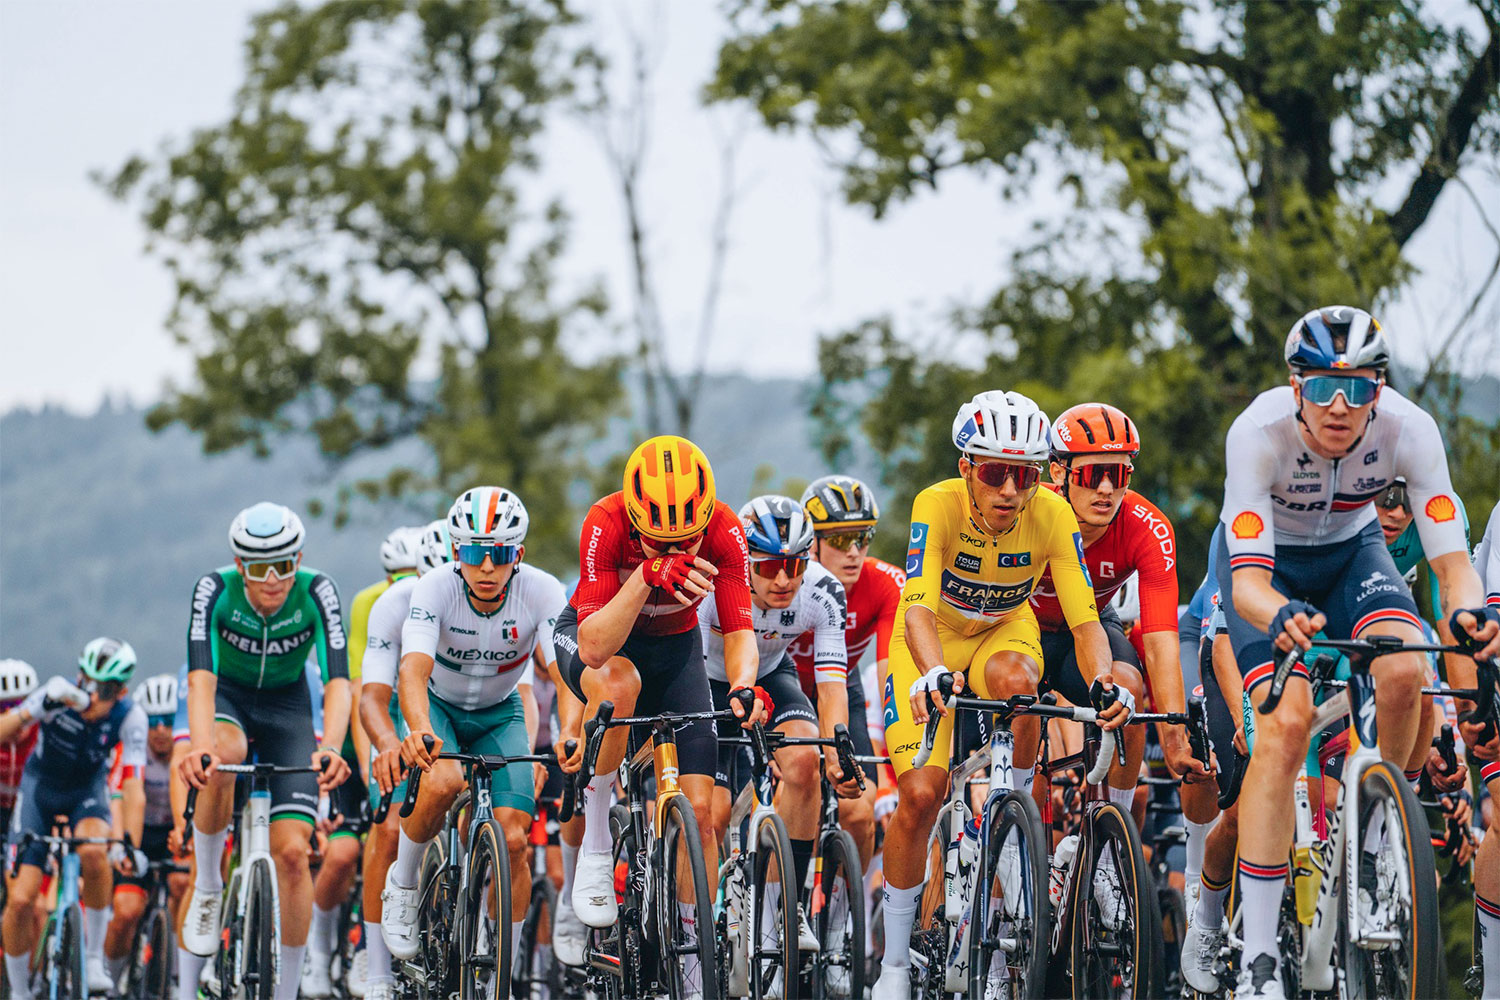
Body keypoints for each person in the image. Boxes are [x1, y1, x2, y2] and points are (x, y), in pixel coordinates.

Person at [1215, 305, 1498, 998]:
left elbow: (1452, 563)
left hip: (1351, 556)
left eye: (1358, 388)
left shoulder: (1411, 430)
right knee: (1284, 728)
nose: (1338, 406)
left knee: (1407, 667)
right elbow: (1246, 581)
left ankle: (1377, 835)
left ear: (1379, 388)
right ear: (1294, 386)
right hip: (1269, 572)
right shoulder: (1257, 433)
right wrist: (1279, 613)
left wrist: (1466, 613)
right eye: (1319, 388)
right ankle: (1258, 958)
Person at [873, 390, 1124, 1000]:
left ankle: (1012, 826)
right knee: (922, 794)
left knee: (1021, 686)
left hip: (1001, 635)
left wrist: (1104, 682)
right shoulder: (937, 503)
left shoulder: (1053, 516)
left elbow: (1086, 619)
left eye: (1025, 475)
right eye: (994, 473)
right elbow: (916, 606)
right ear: (967, 469)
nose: (1011, 490)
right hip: (929, 641)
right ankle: (896, 966)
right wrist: (932, 674)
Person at [550, 435, 767, 974]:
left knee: (701, 813)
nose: (674, 552)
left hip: (676, 652)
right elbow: (595, 646)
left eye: (685, 543)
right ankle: (597, 838)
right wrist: (646, 577)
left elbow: (739, 629)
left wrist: (742, 685)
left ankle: (696, 968)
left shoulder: (724, 527)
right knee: (619, 684)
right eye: (656, 542)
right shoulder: (605, 521)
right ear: (635, 520)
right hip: (600, 643)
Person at [378, 488, 566, 974]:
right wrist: (418, 728)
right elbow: (413, 670)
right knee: (442, 782)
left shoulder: (542, 591)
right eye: (474, 554)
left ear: (517, 554)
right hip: (439, 706)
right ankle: (403, 882)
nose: (486, 567)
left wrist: (570, 729)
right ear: (457, 551)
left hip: (499, 713)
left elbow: (560, 673)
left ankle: (506, 962)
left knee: (517, 841)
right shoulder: (435, 586)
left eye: (499, 555)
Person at [177, 502, 352, 1000]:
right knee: (220, 754)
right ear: (239, 567)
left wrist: (333, 747)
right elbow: (200, 677)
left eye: (284, 565)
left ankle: (288, 990)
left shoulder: (317, 590)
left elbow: (338, 680)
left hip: (288, 709)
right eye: (258, 568)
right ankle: (210, 883)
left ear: (299, 559)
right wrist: (201, 748)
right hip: (229, 697)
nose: (273, 579)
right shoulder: (213, 590)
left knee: (294, 854)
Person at [702, 494, 863, 958]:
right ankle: (688, 920)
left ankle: (784, 907)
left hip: (772, 674)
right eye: (770, 565)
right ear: (746, 559)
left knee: (805, 762)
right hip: (706, 680)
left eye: (794, 566)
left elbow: (833, 686)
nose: (783, 579)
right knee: (710, 813)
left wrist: (837, 751)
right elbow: (686, 663)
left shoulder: (824, 590)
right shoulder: (715, 583)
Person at [1032, 402, 1209, 821]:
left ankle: (1112, 834)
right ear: (1059, 472)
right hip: (1023, 625)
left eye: (1121, 474)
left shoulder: (1149, 527)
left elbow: (1161, 640)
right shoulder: (1031, 508)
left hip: (1091, 627)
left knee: (1127, 690)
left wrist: (1173, 735)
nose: (1108, 489)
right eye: (1094, 474)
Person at [306, 523, 421, 999]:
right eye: (396, 576)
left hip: (414, 723)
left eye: (413, 573)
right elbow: (358, 694)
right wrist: (377, 763)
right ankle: (322, 949)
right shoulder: (371, 603)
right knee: (345, 852)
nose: (405, 584)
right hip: (367, 738)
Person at [1, 639, 147, 998]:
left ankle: (94, 957)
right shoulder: (58, 696)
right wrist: (31, 711)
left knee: (96, 851)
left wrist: (130, 842)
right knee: (21, 900)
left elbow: (132, 786)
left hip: (86, 793)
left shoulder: (130, 716)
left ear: (122, 691)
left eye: (106, 689)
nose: (92, 696)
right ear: (79, 676)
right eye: (88, 683)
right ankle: (19, 991)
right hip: (40, 790)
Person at [355, 519, 448, 1000]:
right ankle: (375, 968)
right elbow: (370, 697)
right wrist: (388, 745)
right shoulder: (396, 602)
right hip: (399, 706)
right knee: (390, 827)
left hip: (458, 705)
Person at [792, 475, 903, 864]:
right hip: (782, 690)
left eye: (863, 536)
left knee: (859, 808)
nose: (854, 551)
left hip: (842, 687)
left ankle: (841, 918)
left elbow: (891, 671)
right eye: (840, 540)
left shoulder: (885, 583)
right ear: (812, 543)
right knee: (788, 794)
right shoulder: (789, 581)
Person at [103, 672, 189, 988]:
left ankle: (179, 976)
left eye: (168, 720)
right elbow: (120, 798)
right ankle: (109, 984)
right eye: (153, 722)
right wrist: (121, 844)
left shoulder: (186, 746)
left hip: (171, 832)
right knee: (126, 911)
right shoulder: (133, 748)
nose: (161, 730)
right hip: (138, 830)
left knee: (182, 883)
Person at [0, 659, 40, 835]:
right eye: (2, 707)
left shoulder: (43, 731)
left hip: (30, 810)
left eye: (18, 706)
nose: (10, 714)